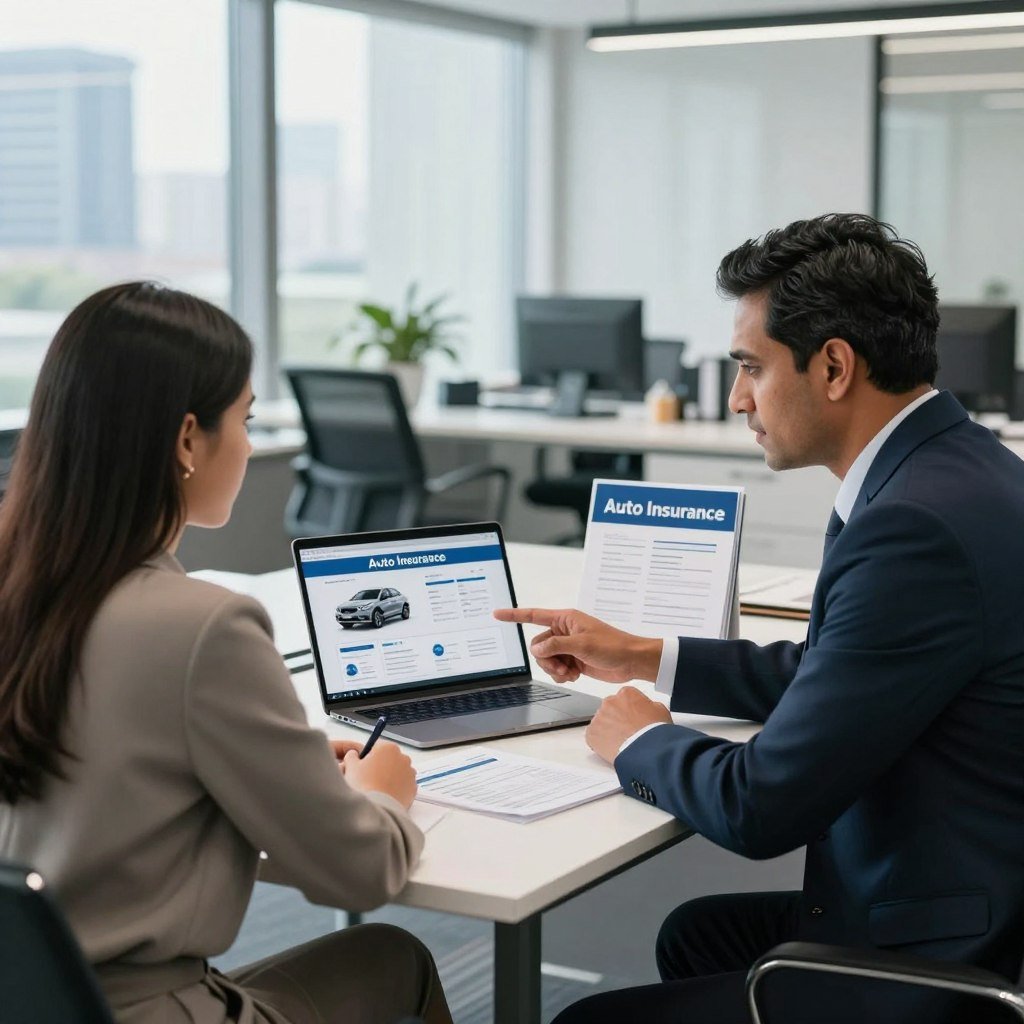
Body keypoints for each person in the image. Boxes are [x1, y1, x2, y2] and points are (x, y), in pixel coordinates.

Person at [497, 213, 1024, 1024]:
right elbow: (847, 670)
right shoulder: (957, 468)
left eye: (750, 365)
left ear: (835, 367)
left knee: (582, 1022)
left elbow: (760, 807)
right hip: (964, 891)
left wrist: (637, 736)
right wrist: (645, 654)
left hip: (941, 959)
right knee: (697, 938)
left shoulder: (914, 526)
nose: (738, 396)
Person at [0, 282, 453, 1024]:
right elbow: (359, 871)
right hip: (144, 1010)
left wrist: (281, 772)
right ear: (187, 439)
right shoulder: (203, 625)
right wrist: (381, 793)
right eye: (243, 419)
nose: (246, 442)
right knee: (391, 955)